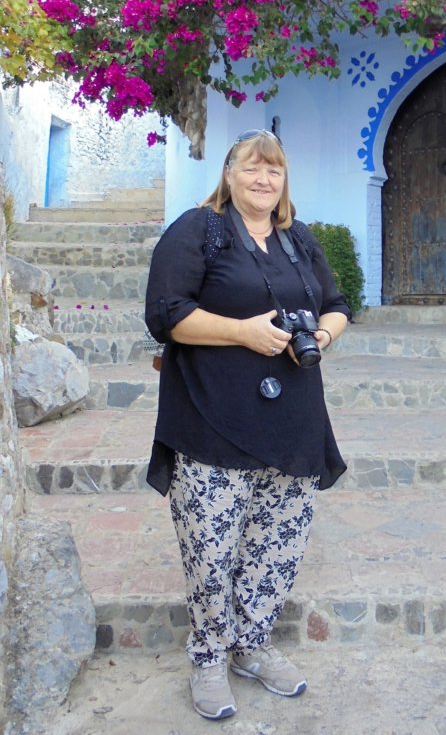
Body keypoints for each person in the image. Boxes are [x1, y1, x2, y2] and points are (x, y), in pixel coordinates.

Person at [144, 129, 350, 721]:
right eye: (252, 169)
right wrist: (243, 332)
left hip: (293, 420)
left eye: (275, 172)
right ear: (229, 174)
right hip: (212, 416)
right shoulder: (199, 229)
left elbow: (338, 304)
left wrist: (323, 336)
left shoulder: (297, 239)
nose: (264, 180)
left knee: (276, 544)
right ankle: (208, 656)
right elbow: (167, 314)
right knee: (211, 548)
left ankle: (251, 646)